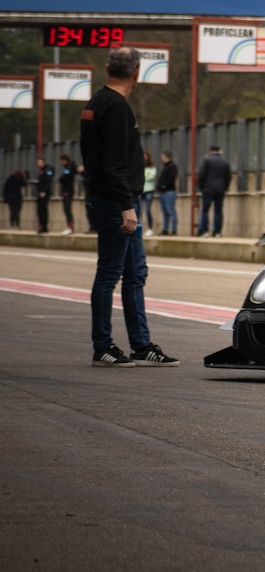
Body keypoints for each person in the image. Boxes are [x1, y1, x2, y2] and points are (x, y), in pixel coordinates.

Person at [80, 46, 178, 367]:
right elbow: (114, 163)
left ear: (108, 68)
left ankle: (141, 344)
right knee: (110, 273)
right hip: (116, 201)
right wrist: (126, 205)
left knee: (135, 273)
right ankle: (102, 346)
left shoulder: (95, 103)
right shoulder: (118, 107)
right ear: (136, 73)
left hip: (111, 198)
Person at [197, 145, 232, 238]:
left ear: (210, 151)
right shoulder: (225, 162)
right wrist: (225, 188)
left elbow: (201, 175)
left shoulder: (207, 160)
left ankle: (205, 231)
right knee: (218, 211)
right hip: (220, 190)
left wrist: (201, 187)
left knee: (205, 210)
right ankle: (217, 232)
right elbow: (228, 177)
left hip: (208, 189)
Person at [157, 151, 178, 236]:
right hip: (163, 192)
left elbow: (172, 178)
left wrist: (164, 186)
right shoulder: (165, 167)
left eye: (162, 156)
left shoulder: (172, 166)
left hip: (169, 191)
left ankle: (173, 230)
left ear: (166, 156)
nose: (161, 158)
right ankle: (165, 229)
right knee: (165, 211)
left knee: (171, 211)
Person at [58, 154, 79, 235]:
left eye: (62, 160)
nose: (61, 162)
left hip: (68, 190)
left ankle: (71, 227)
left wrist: (62, 178)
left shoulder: (69, 168)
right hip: (66, 190)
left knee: (67, 208)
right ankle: (70, 227)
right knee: (66, 209)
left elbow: (63, 178)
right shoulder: (67, 168)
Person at [34, 157, 54, 234]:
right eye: (38, 163)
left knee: (43, 210)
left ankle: (44, 226)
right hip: (40, 192)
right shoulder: (42, 171)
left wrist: (44, 191)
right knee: (39, 210)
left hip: (44, 193)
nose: (38, 164)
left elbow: (48, 181)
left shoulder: (48, 170)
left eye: (40, 163)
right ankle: (41, 225)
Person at [141, 150, 156, 236]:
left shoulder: (152, 166)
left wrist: (144, 176)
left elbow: (151, 177)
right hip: (141, 190)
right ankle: (140, 228)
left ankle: (150, 228)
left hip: (149, 191)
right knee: (140, 211)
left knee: (147, 210)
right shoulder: (139, 166)